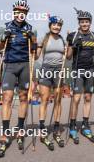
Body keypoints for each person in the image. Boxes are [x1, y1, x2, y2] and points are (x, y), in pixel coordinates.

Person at [0, 0, 37, 157]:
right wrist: (3, 37)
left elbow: (34, 50)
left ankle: (20, 129)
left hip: (25, 65)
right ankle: (5, 133)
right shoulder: (5, 27)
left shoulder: (30, 28)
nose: (21, 14)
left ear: (26, 14)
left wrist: (33, 39)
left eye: (24, 12)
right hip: (10, 65)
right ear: (14, 13)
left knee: (24, 97)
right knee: (7, 97)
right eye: (18, 12)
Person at [66, 8, 94, 144]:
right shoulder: (73, 36)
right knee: (76, 99)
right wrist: (74, 47)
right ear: (79, 23)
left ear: (90, 23)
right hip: (77, 70)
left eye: (86, 22)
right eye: (82, 22)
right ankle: (73, 125)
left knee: (88, 97)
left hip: (90, 70)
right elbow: (68, 57)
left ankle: (85, 125)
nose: (84, 24)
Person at [35, 16, 66, 150]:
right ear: (50, 26)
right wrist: (32, 46)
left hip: (59, 70)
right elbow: (36, 56)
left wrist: (70, 44)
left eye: (59, 25)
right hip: (46, 70)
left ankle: (56, 129)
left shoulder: (62, 39)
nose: (56, 27)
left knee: (58, 100)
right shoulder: (44, 38)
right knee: (45, 100)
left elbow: (68, 56)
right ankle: (42, 129)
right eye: (54, 24)